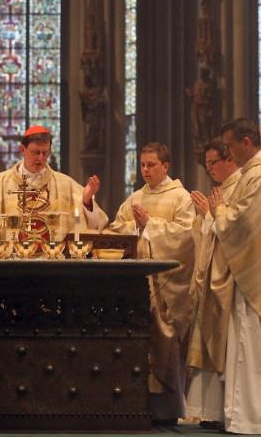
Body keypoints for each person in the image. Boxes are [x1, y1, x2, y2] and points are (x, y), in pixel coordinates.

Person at [204, 118, 261, 434]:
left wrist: (221, 211)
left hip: (256, 278)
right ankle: (243, 416)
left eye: (230, 145)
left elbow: (243, 225)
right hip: (251, 273)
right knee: (244, 345)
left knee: (251, 345)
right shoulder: (259, 175)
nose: (229, 152)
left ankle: (254, 419)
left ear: (246, 143)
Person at [109, 142, 195, 423]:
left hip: (167, 288)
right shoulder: (135, 198)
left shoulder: (181, 198)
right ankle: (135, 405)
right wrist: (135, 227)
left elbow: (186, 238)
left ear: (165, 166)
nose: (145, 170)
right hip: (137, 286)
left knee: (165, 346)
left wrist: (150, 226)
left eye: (151, 165)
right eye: (142, 165)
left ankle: (168, 411)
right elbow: (115, 230)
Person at [0, 125, 108, 240]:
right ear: (22, 150)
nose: (40, 158)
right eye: (35, 152)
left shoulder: (65, 184)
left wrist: (86, 202)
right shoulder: (1, 183)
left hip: (54, 267)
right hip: (12, 267)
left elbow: (94, 224)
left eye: (44, 153)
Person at [185, 138, 241, 429]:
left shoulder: (240, 186)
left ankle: (223, 411)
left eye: (213, 163)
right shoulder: (223, 189)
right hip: (213, 274)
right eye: (206, 164)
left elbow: (234, 231)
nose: (209, 170)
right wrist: (204, 217)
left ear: (228, 159)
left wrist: (211, 214)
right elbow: (211, 230)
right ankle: (210, 410)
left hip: (230, 279)